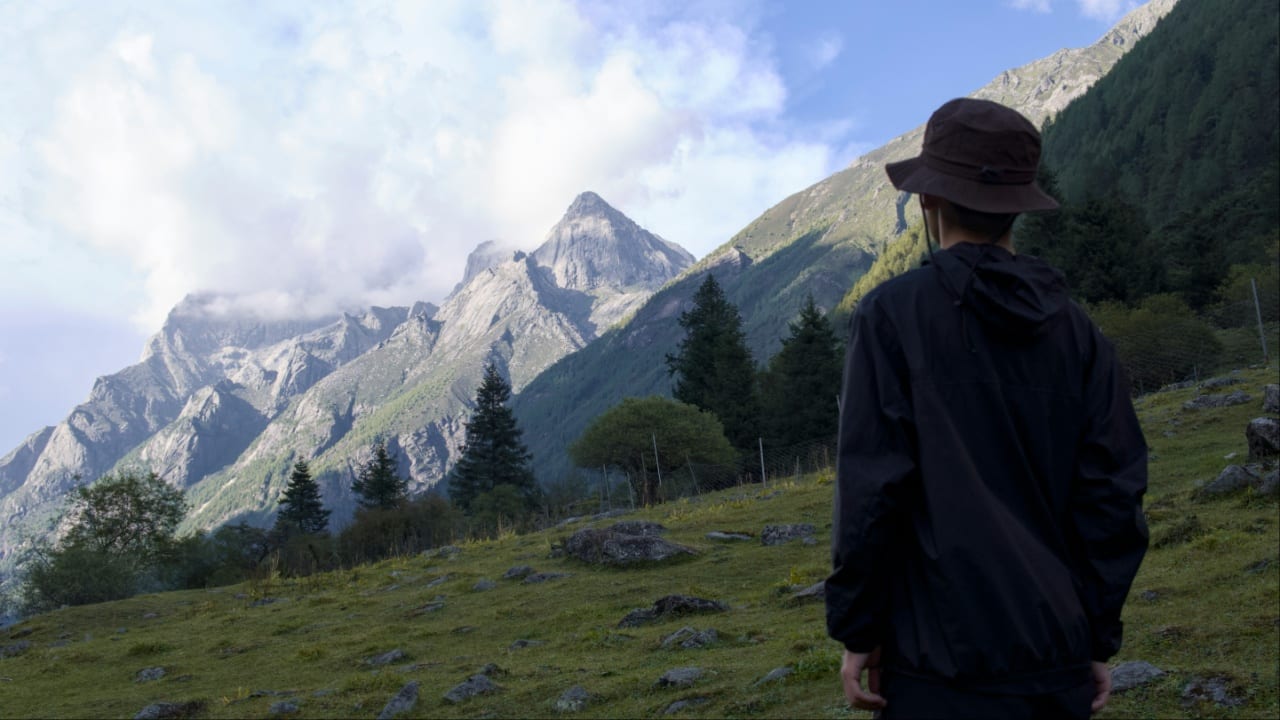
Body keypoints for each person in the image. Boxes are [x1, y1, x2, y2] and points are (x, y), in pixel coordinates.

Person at [825, 97, 1149, 719]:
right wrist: (1095, 635)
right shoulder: (1078, 331)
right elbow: (1114, 493)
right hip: (1056, 663)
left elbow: (872, 491)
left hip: (935, 668)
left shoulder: (892, 316)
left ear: (929, 201)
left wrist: (857, 629)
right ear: (1018, 208)